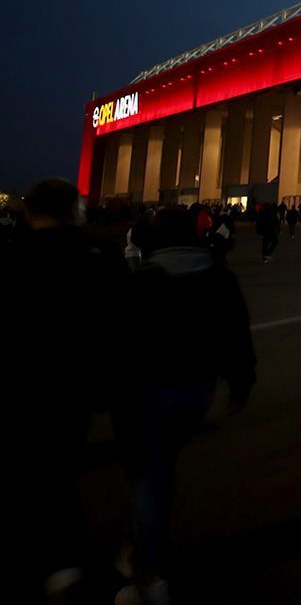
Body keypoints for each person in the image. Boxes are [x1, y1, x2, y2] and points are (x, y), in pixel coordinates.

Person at [114, 207, 256, 604]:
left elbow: (118, 348)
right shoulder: (219, 278)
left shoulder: (143, 281)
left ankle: (150, 573)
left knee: (149, 477)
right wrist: (241, 383)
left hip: (148, 393)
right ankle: (137, 547)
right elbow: (237, 335)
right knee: (160, 471)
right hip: (197, 392)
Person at [9, 179, 124, 602]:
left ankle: (60, 564)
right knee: (57, 469)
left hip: (26, 386)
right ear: (75, 210)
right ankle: (66, 563)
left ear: (29, 212)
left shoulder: (15, 256)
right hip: (79, 386)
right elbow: (122, 324)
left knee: (41, 475)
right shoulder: (102, 254)